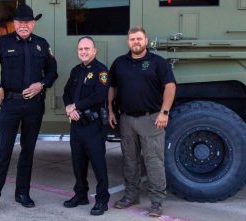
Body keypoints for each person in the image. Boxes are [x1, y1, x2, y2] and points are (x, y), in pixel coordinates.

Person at [0, 4, 58, 215]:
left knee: (28, 151)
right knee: (3, 150)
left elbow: (53, 72)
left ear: (33, 23)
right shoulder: (2, 43)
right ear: (15, 24)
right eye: (20, 22)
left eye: (28, 22)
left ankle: (22, 193)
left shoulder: (42, 45)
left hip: (34, 104)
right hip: (11, 104)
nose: (24, 25)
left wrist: (41, 84)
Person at [108, 27, 176, 217]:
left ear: (145, 41)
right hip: (126, 119)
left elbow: (170, 86)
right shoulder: (119, 63)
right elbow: (111, 87)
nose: (135, 42)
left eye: (139, 39)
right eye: (132, 39)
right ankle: (131, 195)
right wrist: (111, 110)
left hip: (151, 119)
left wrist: (164, 112)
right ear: (128, 42)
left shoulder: (158, 62)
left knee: (153, 161)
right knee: (130, 160)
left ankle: (156, 202)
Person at [63, 36, 110, 216]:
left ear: (94, 50)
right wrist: (69, 108)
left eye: (87, 49)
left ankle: (102, 200)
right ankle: (80, 194)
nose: (83, 52)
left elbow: (99, 96)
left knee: (98, 165)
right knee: (78, 163)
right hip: (76, 124)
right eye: (81, 49)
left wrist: (77, 106)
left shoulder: (101, 71)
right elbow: (67, 92)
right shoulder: (76, 71)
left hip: (93, 126)